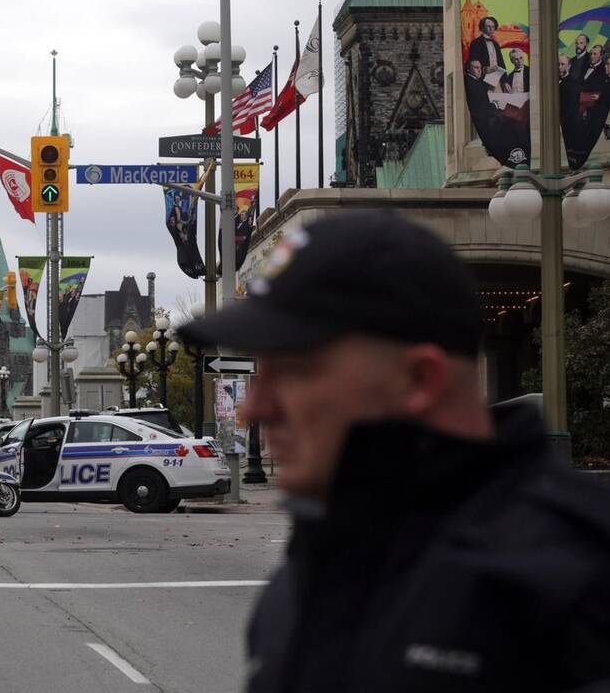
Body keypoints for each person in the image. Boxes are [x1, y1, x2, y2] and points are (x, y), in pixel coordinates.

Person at [177, 212, 610, 693]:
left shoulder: (577, 582)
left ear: (420, 380)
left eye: (297, 371)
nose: (256, 407)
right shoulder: (313, 565)